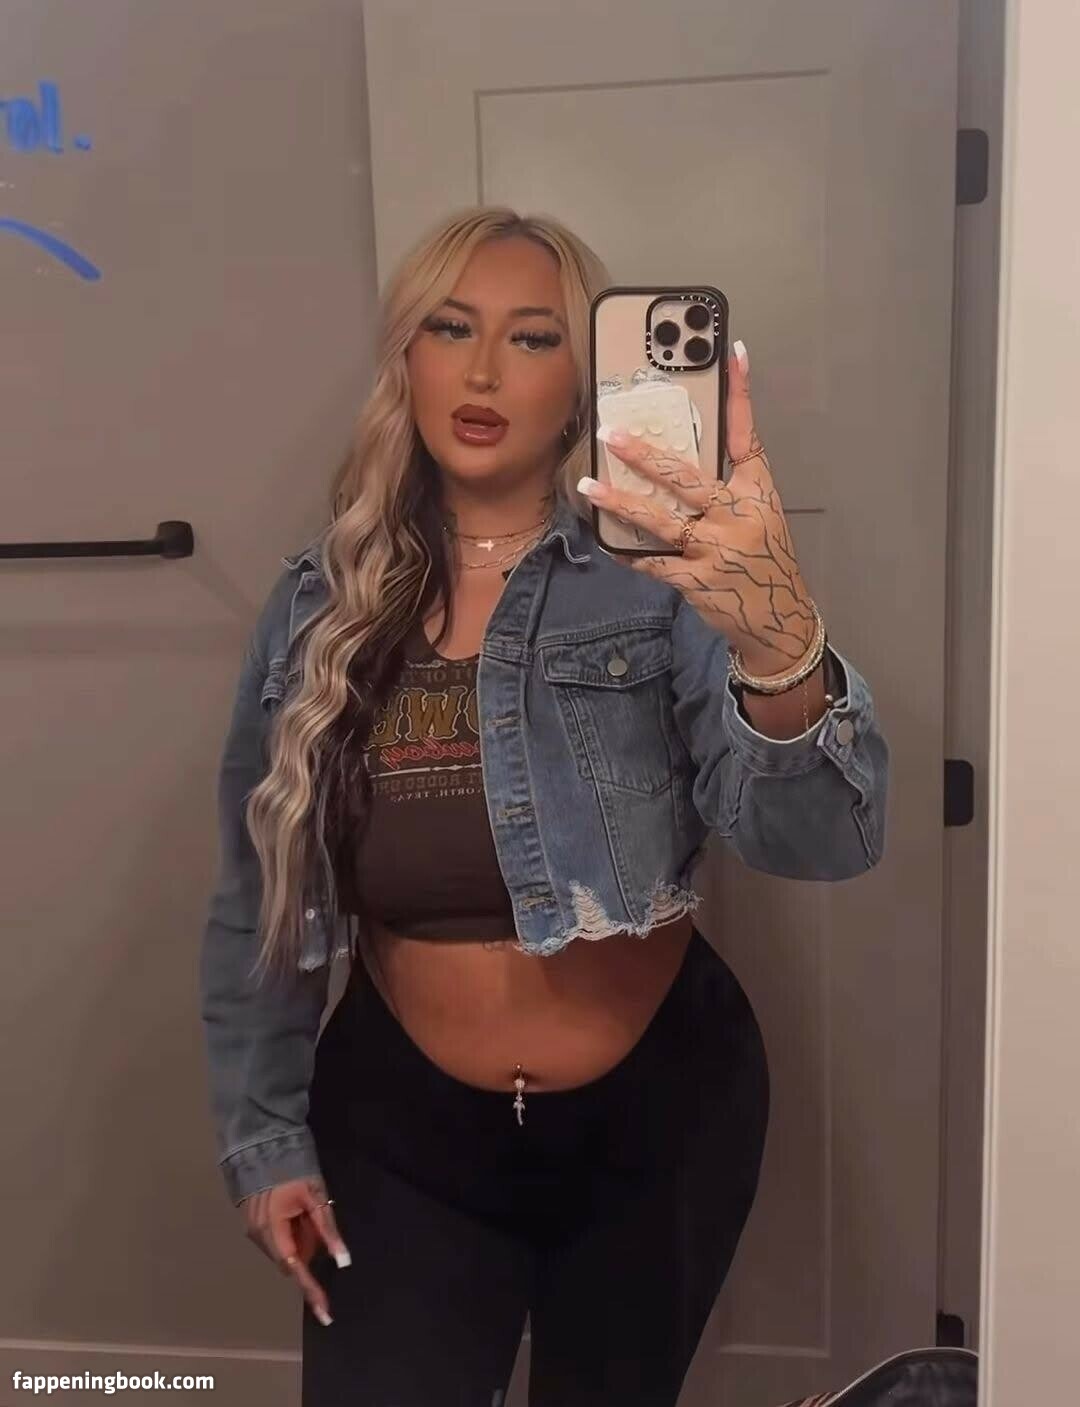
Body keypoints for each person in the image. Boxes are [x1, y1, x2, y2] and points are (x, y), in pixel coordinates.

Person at [199, 205, 888, 1407]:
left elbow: (818, 839)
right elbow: (256, 899)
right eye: (449, 328)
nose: (480, 371)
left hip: (658, 1125)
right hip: (397, 1133)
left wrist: (778, 640)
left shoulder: (661, 582)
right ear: (406, 356)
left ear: (585, 383)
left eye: (531, 338)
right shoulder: (318, 606)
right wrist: (264, 1140)